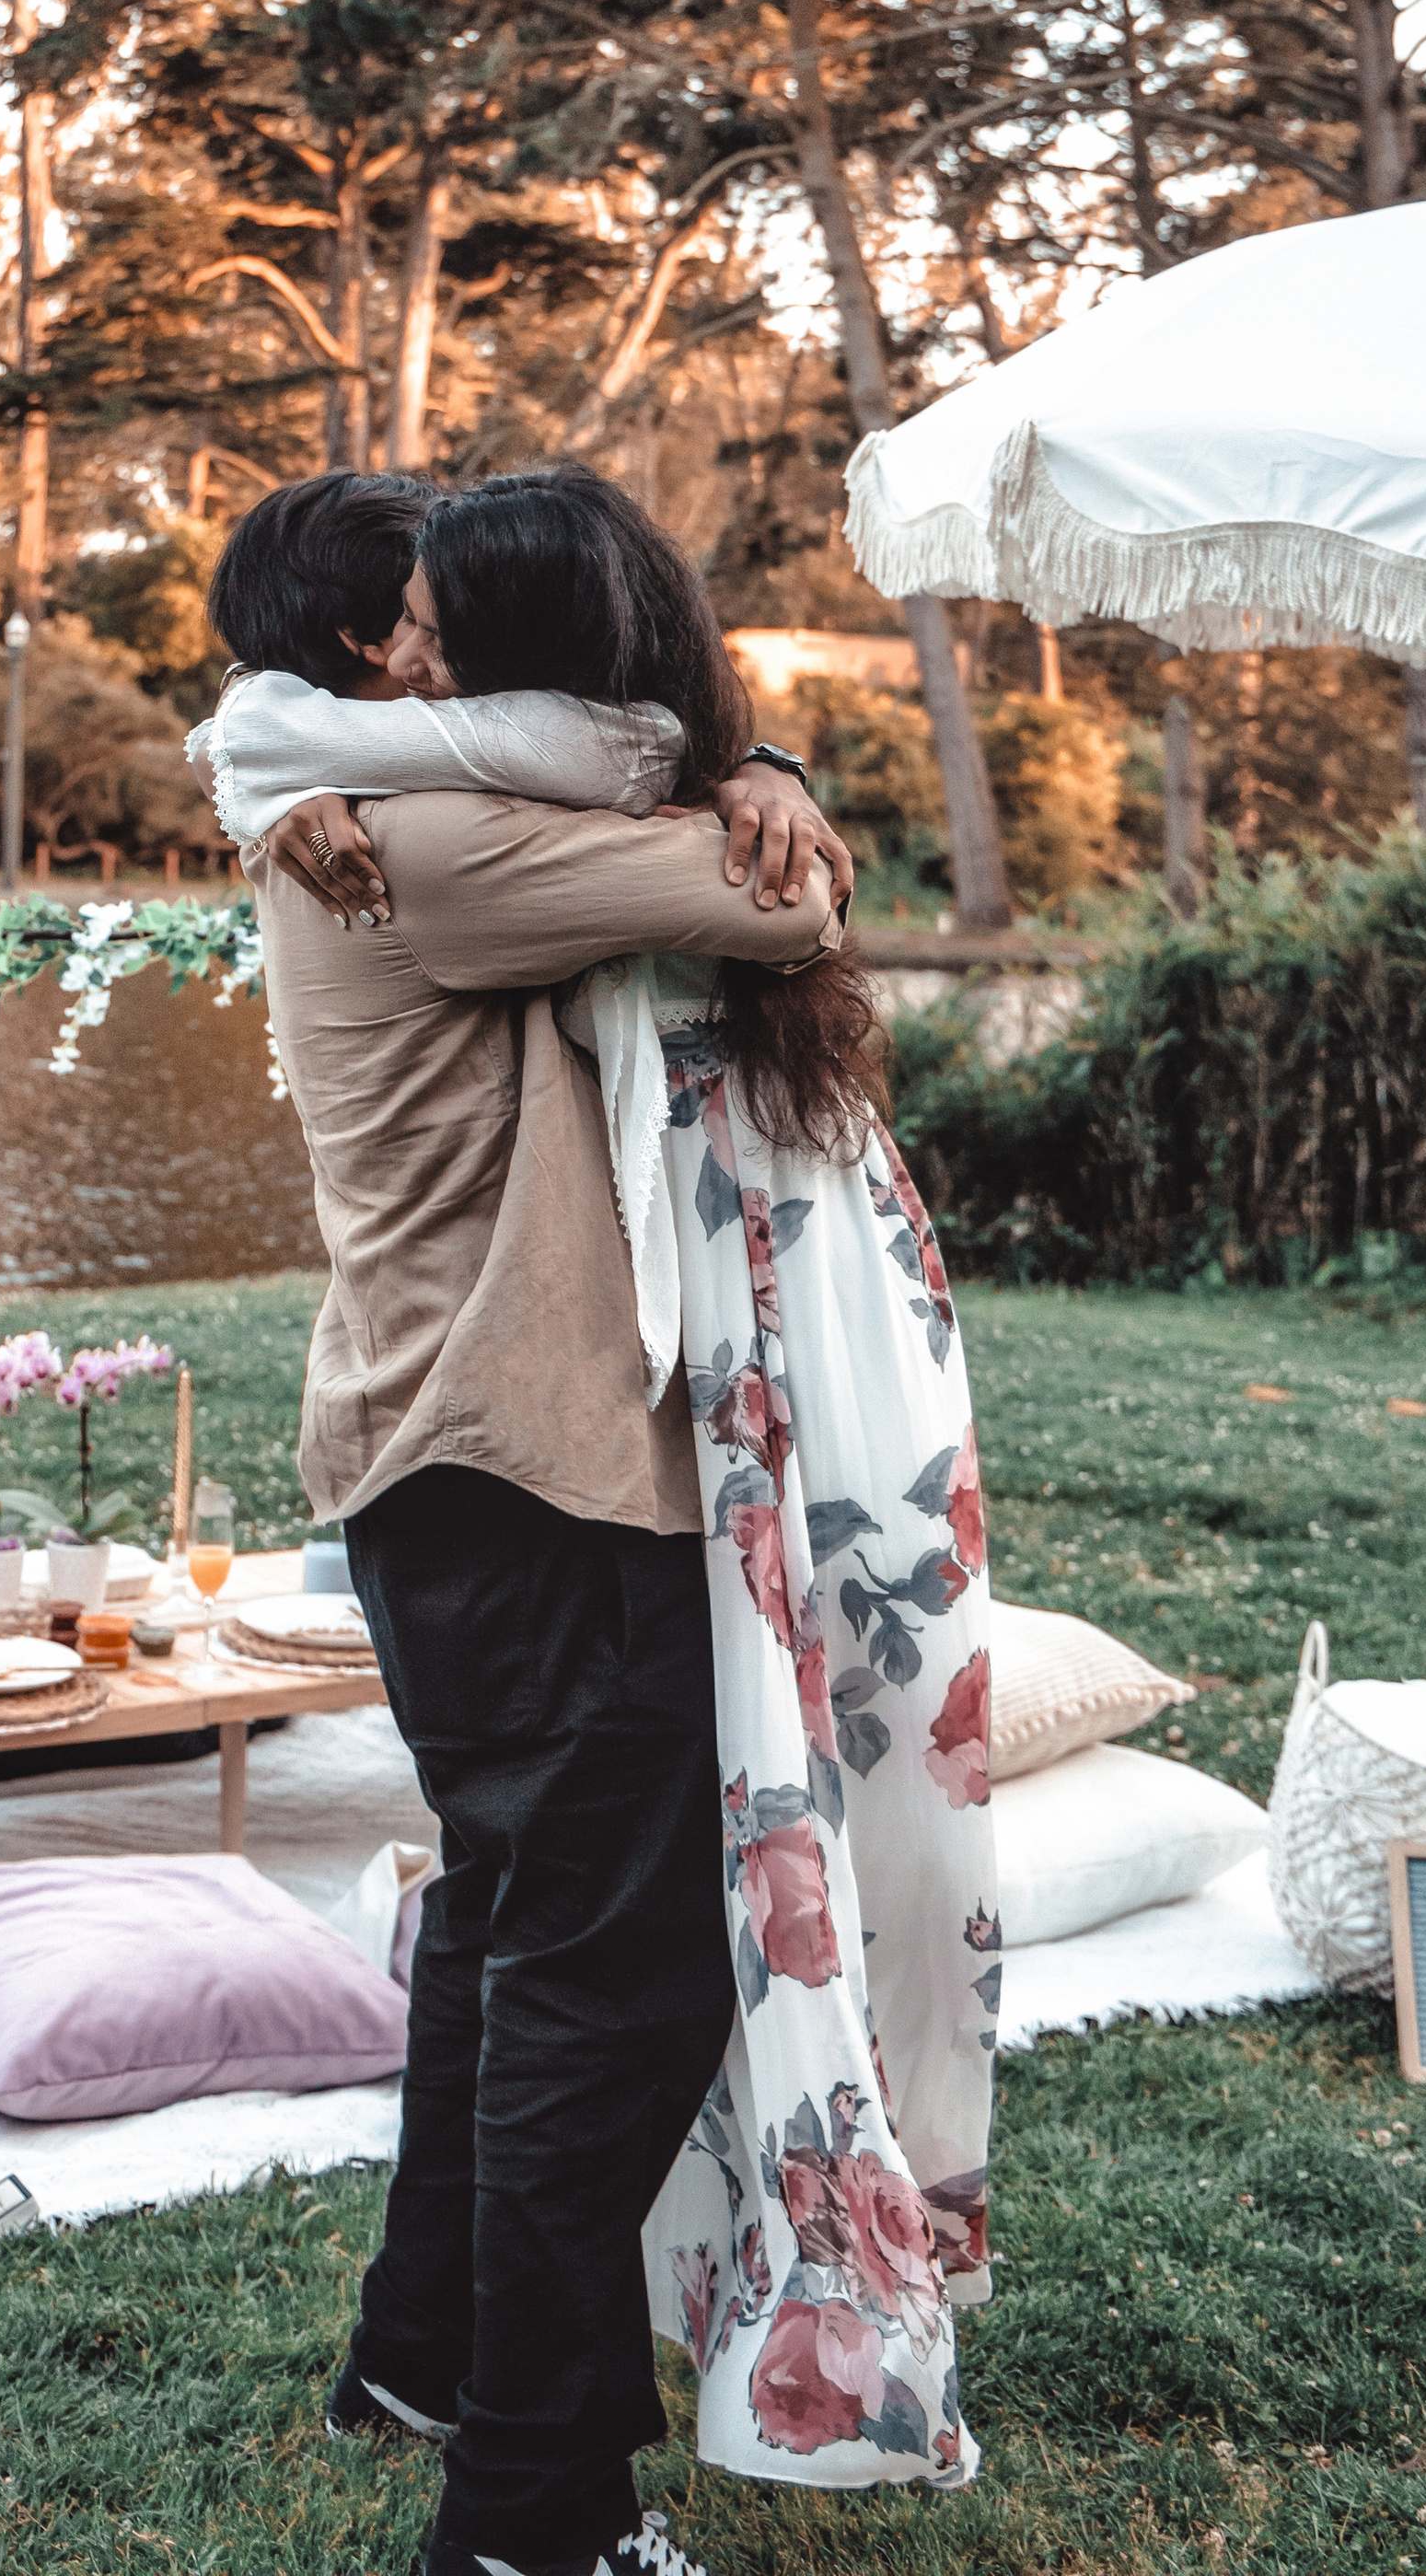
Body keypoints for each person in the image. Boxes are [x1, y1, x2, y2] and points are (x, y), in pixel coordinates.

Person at [197, 468, 994, 2542]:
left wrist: (771, 754)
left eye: (453, 624)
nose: (429, 657)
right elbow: (781, 907)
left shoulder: (400, 801)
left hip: (459, 1467)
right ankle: (531, 2500)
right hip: (521, 1471)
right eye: (402, 622)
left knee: (501, 1935)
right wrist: (764, 787)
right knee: (611, 1980)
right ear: (346, 650)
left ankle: (419, 2348)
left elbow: (681, 810)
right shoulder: (427, 847)